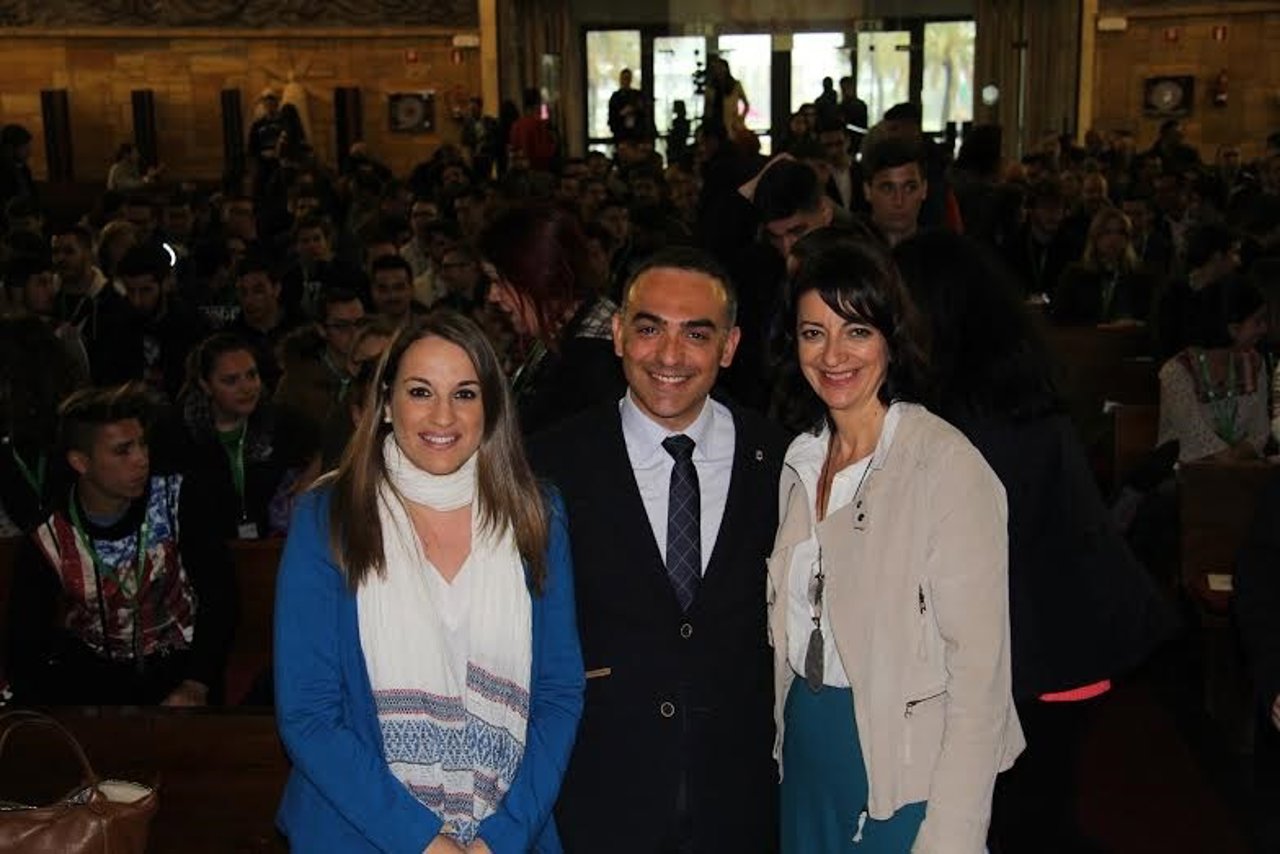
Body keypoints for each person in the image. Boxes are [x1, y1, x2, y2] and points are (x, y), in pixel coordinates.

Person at [894, 230, 1175, 854]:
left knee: (1022, 818)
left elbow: (966, 554)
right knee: (1034, 809)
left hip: (1042, 645)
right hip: (1055, 636)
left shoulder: (980, 416)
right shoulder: (1006, 388)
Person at [274, 311, 584, 852]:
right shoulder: (329, 515)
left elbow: (559, 692)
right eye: (420, 392)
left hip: (507, 835)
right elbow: (309, 715)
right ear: (385, 402)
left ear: (491, 407)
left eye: (465, 394)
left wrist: (502, 838)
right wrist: (423, 841)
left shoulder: (536, 513)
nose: (443, 415)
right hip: (360, 833)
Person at [768, 229, 1023, 853]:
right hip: (807, 750)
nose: (833, 355)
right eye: (813, 332)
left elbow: (980, 678)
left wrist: (954, 836)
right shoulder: (801, 460)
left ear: (890, 338)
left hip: (904, 768)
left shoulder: (945, 466)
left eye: (856, 330)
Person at [529, 247, 789, 853]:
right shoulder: (549, 464)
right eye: (649, 329)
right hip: (597, 805)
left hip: (744, 808)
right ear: (618, 334)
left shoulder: (783, 463)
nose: (669, 356)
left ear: (729, 346)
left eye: (696, 334)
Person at [5, 383, 236, 706]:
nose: (141, 459)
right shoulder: (50, 536)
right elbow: (25, 639)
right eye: (122, 451)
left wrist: (197, 682)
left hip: (183, 672)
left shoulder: (177, 500)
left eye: (142, 444)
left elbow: (221, 597)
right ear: (80, 462)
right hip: (96, 685)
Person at [479, 202, 624, 435]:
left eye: (498, 281)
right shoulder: (563, 331)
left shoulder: (595, 359)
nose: (493, 295)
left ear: (537, 275)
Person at [163, 333, 318, 540]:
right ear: (205, 385)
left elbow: (330, 448)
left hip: (269, 548)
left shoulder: (284, 425)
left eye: (252, 375)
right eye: (231, 380)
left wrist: (309, 478)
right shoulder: (176, 435)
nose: (246, 388)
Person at [1158, 276, 1270, 463]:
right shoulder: (1177, 372)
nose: (1264, 329)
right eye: (1257, 322)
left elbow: (1259, 433)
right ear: (1232, 328)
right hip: (1187, 473)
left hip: (1243, 471)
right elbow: (1196, 440)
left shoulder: (1254, 363)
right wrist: (1230, 460)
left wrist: (1235, 459)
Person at [1053, 207, 1159, 326]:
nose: (1114, 238)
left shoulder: (1139, 277)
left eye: (1120, 232)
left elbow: (1149, 318)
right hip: (1085, 336)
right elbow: (1060, 317)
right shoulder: (1075, 275)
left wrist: (1134, 323)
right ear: (1095, 236)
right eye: (1107, 232)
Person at [608, 68, 648, 145]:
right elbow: (612, 118)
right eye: (624, 78)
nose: (626, 81)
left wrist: (635, 109)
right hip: (621, 134)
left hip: (636, 135)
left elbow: (643, 113)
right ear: (620, 80)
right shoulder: (616, 97)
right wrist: (622, 113)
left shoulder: (637, 95)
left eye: (628, 78)